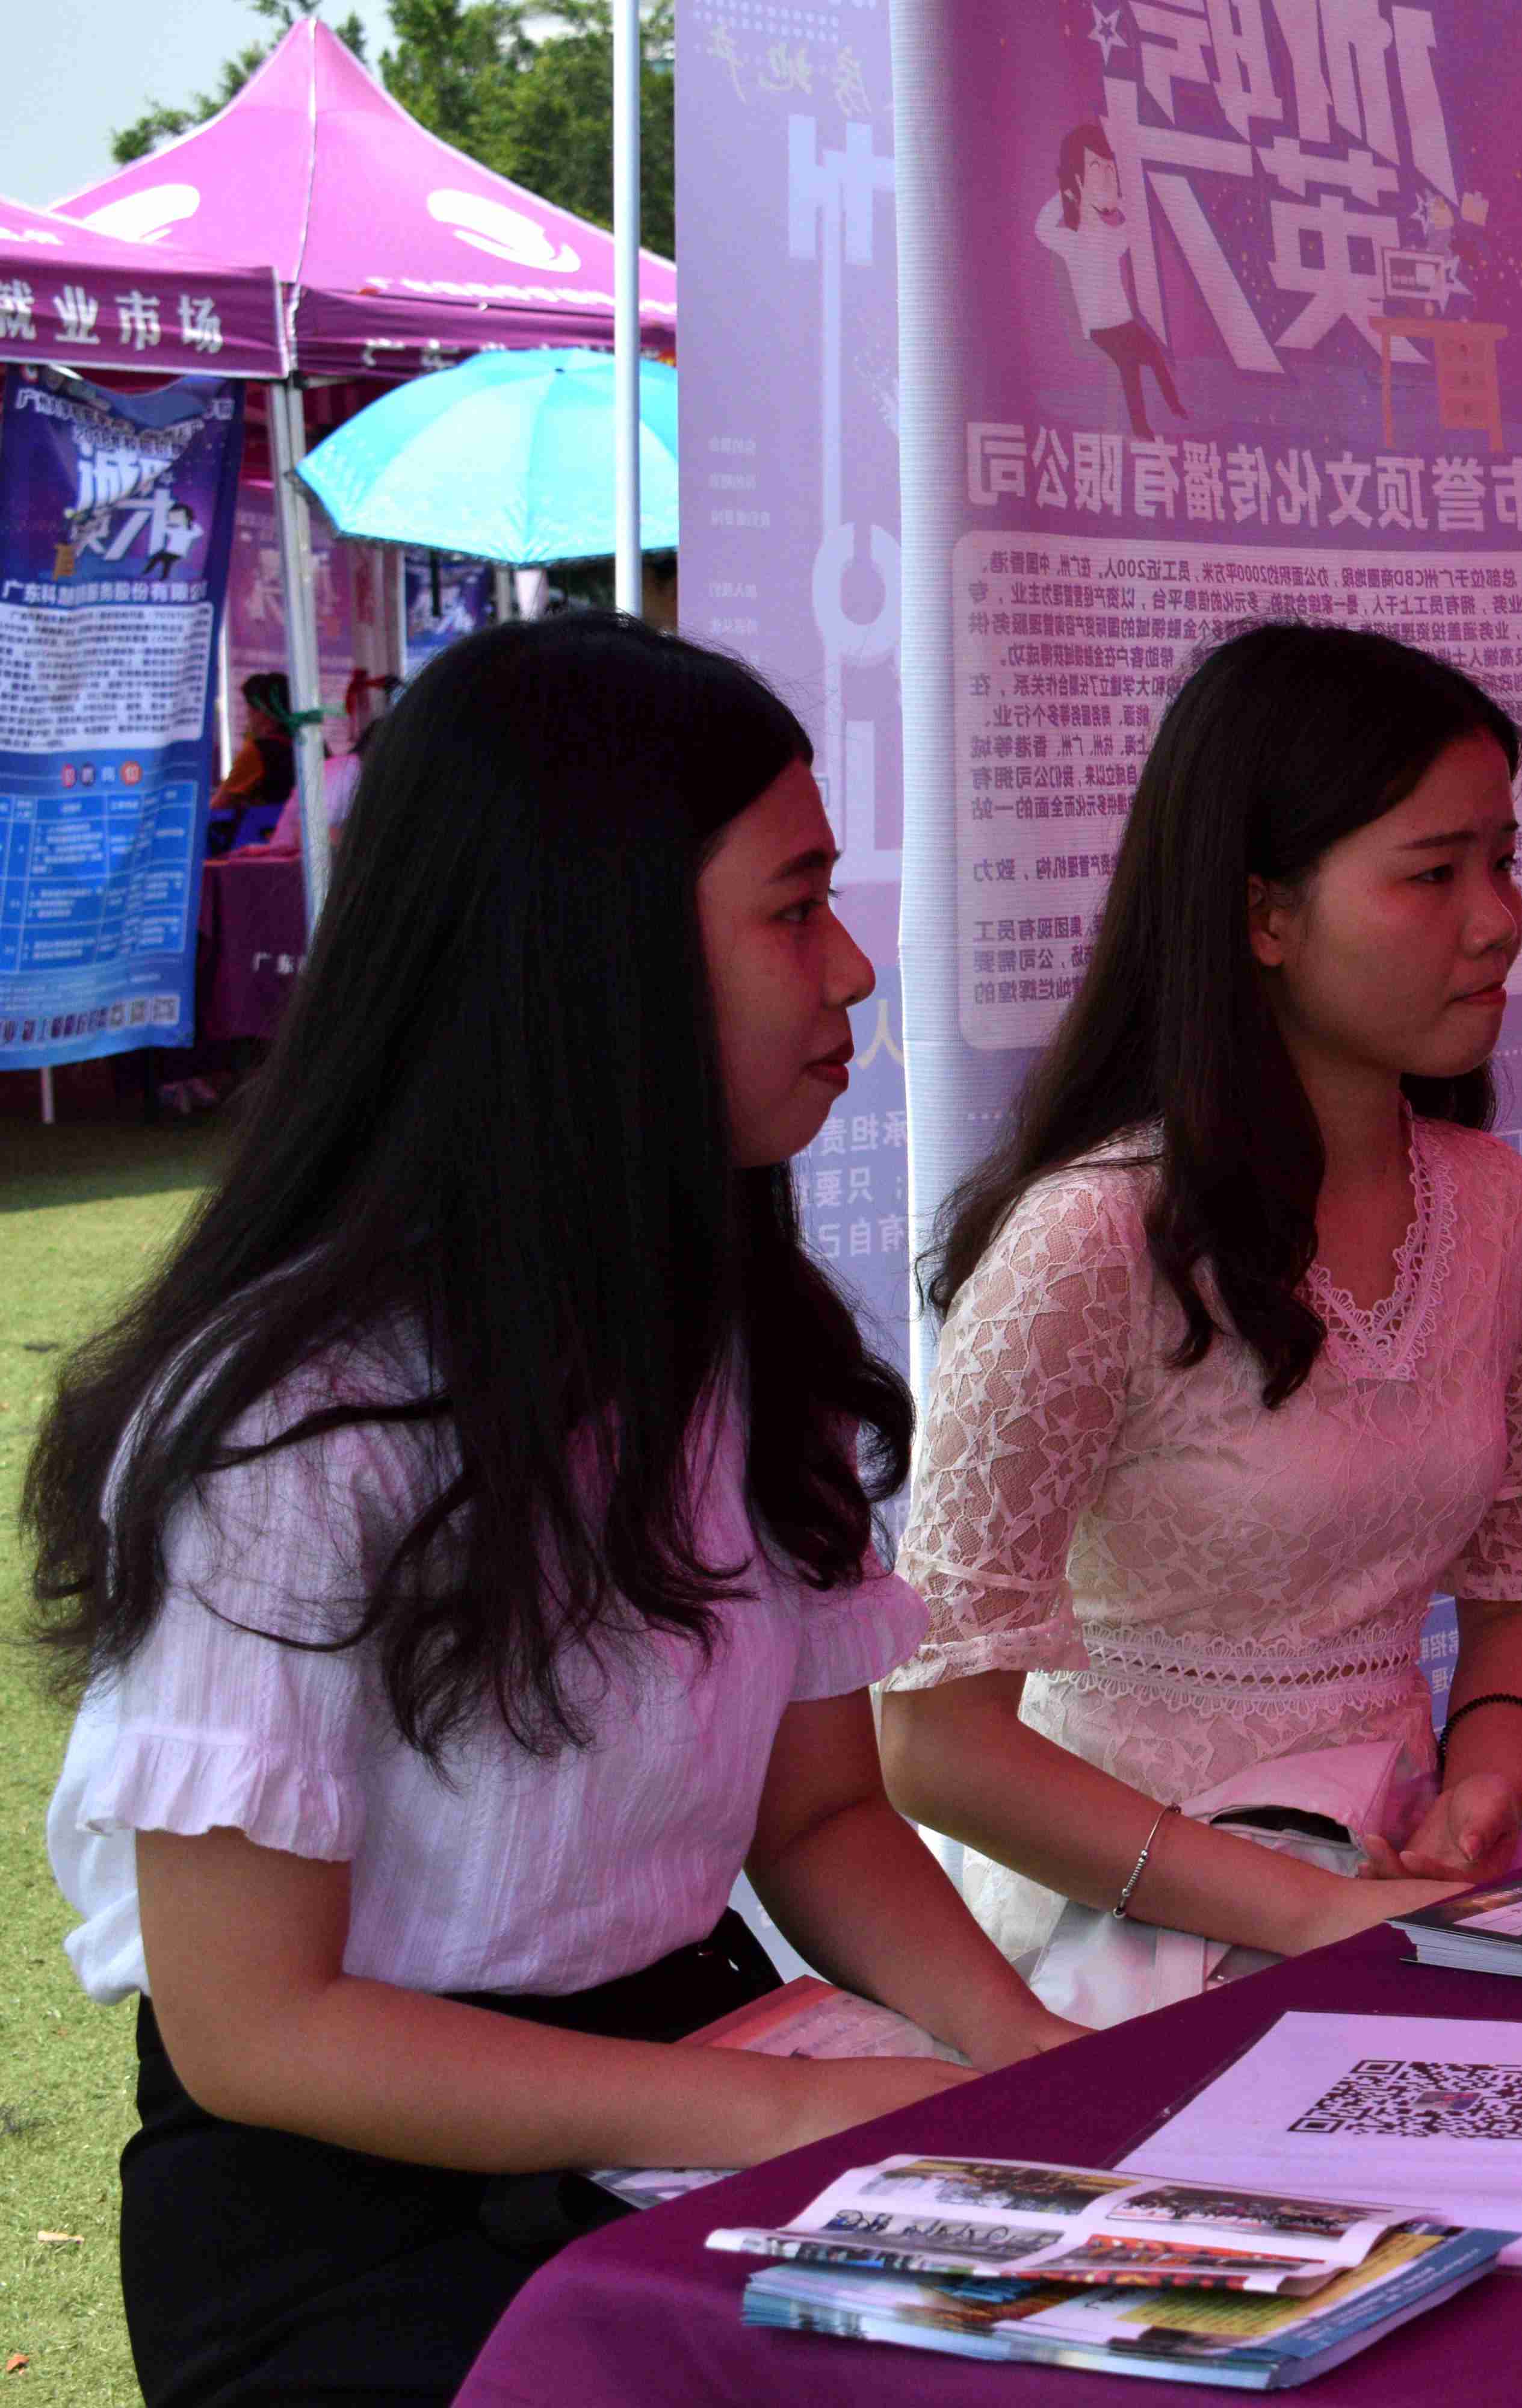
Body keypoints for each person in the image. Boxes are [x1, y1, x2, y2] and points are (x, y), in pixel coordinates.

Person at [28, 615, 1080, 2408]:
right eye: (792, 907)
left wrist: (1026, 2052)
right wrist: (776, 2111)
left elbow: (822, 1812)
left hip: (695, 2076)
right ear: (588, 955)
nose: (851, 968)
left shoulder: (730, 1336)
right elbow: (255, 2026)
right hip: (363, 2221)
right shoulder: (293, 1424)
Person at [880, 623, 1522, 2027]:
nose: (1498, 919)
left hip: (1387, 1892)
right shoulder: (1094, 1237)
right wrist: (1302, 1906)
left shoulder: (1498, 1206)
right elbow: (933, 1742)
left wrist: (1482, 1787)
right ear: (1265, 916)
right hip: (1110, 1956)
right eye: (1433, 873)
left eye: (1505, 860)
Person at [1035, 123, 1184, 439]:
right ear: (1078, 180)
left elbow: (1135, 227)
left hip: (1124, 322)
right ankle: (1141, 427)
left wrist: (1117, 199)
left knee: (1154, 355)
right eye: (1096, 170)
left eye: (1110, 171)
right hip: (1100, 328)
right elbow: (1042, 228)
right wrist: (1067, 194)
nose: (1105, 178)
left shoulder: (1111, 236)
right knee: (1129, 364)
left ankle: (1175, 407)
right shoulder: (1071, 240)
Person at [208, 672, 298, 858]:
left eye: (250, 711)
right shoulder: (316, 746)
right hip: (303, 845)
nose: (249, 718)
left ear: (265, 714)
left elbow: (218, 805)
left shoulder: (257, 752)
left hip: (263, 849)